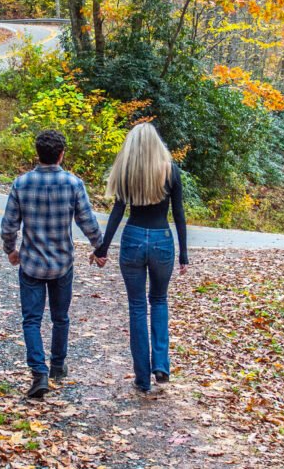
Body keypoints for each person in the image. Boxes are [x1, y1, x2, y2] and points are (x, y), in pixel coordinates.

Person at [1, 130, 107, 399]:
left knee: (31, 320)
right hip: (62, 263)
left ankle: (39, 372)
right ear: (62, 154)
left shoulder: (21, 184)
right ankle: (58, 365)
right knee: (60, 317)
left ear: (38, 153)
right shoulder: (73, 184)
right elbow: (88, 222)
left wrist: (11, 250)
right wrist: (100, 248)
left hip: (31, 263)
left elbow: (8, 225)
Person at [93, 123, 188, 393]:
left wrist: (102, 248)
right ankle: (161, 365)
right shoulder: (171, 170)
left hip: (133, 239)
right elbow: (179, 214)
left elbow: (117, 213)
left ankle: (142, 378)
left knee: (137, 307)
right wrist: (183, 253)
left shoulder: (127, 172)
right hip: (162, 240)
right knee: (158, 300)